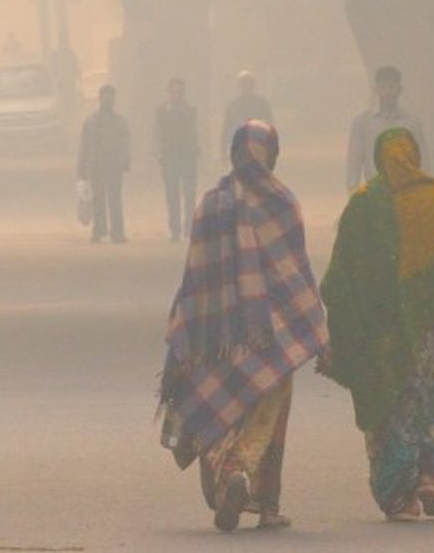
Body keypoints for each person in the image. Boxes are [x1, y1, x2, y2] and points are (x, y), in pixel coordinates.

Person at [158, 120, 330, 532]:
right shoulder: (282, 203)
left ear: (233, 153)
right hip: (274, 335)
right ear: (272, 154)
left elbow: (195, 275)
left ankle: (229, 477)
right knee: (270, 416)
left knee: (224, 405)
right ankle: (265, 502)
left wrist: (185, 327)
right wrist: (316, 328)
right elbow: (297, 273)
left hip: (216, 335)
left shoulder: (210, 204)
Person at [319, 128, 434, 521]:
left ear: (377, 159)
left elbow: (341, 278)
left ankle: (398, 497)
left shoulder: (364, 204)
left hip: (383, 336)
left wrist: (340, 332)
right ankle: (427, 475)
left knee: (391, 408)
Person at [345, 66, 428, 192]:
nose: (388, 92)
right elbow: (354, 161)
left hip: (405, 191)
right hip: (375, 191)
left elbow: (422, 161)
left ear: (400, 90)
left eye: (392, 87)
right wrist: (353, 190)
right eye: (384, 87)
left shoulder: (412, 124)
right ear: (376, 90)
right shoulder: (362, 123)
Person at [77, 85, 130, 244]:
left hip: (114, 166)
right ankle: (99, 230)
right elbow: (84, 145)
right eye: (105, 97)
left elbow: (125, 143)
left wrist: (125, 162)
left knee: (115, 200)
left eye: (110, 97)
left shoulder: (120, 122)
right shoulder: (91, 121)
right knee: (98, 199)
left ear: (114, 100)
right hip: (96, 165)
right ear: (100, 98)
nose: (108, 100)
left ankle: (117, 232)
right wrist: (81, 167)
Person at [154, 77, 199, 242]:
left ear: (183, 93)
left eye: (179, 91)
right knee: (172, 194)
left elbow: (194, 132)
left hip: (187, 156)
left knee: (189, 193)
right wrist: (159, 152)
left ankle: (189, 227)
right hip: (169, 157)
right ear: (168, 92)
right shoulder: (161, 111)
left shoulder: (190, 110)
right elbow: (157, 133)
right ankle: (175, 228)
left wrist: (194, 149)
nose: (176, 94)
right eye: (173, 91)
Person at [220, 71, 274, 158]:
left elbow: (269, 124)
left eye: (248, 85)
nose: (247, 88)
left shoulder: (260, 103)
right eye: (245, 85)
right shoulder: (261, 103)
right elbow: (227, 129)